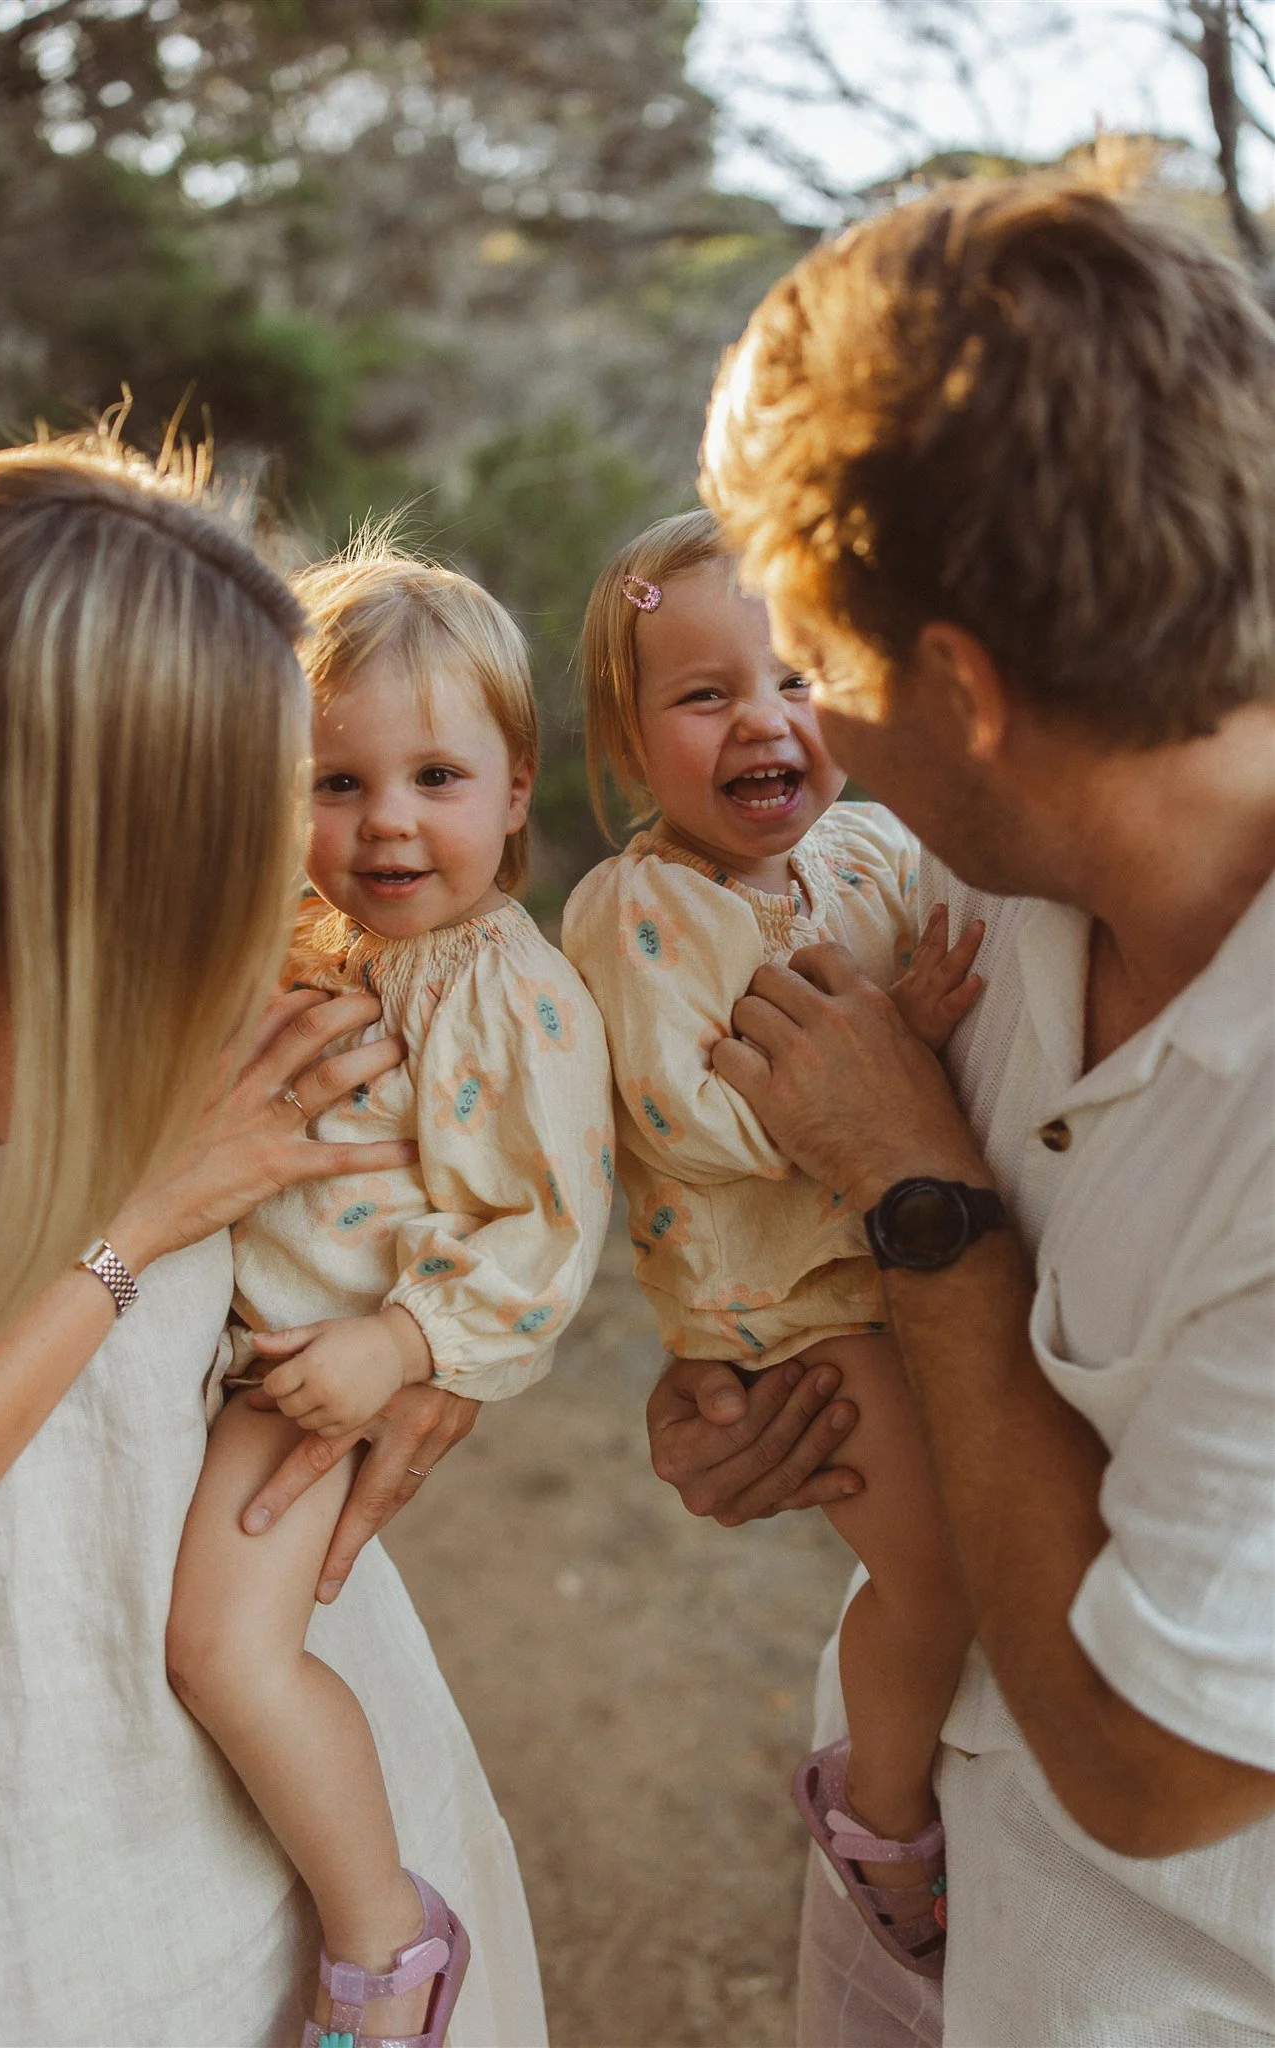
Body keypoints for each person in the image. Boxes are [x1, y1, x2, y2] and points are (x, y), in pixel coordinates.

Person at [647, 174, 1275, 2045]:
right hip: (934, 1891)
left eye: (828, 672)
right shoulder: (990, 891)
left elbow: (1158, 1778)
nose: (816, 736)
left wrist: (922, 1206)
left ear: (970, 689)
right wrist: (759, 1385)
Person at [0, 437, 547, 2048]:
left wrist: (428, 1359)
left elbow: (460, 1189)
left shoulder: (239, 985)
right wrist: (132, 1229)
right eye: (268, 786)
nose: (295, 846)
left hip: (255, 1827)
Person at [167, 541, 612, 2047]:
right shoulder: (299, 946)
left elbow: (545, 1219)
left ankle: (388, 1945)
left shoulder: (510, 985)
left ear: (513, 789)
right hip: (239, 1344)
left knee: (222, 1646)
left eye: (437, 776)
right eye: (335, 783)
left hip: (317, 1375)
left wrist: (406, 1341)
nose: (388, 823)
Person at [563, 508, 983, 1973]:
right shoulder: (636, 911)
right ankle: (879, 1817)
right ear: (626, 742)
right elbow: (686, 1121)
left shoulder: (872, 853)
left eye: (798, 674)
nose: (767, 718)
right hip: (786, 1302)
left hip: (885, 1272)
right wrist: (888, 1068)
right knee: (934, 1571)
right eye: (705, 693)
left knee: (963, 1534)